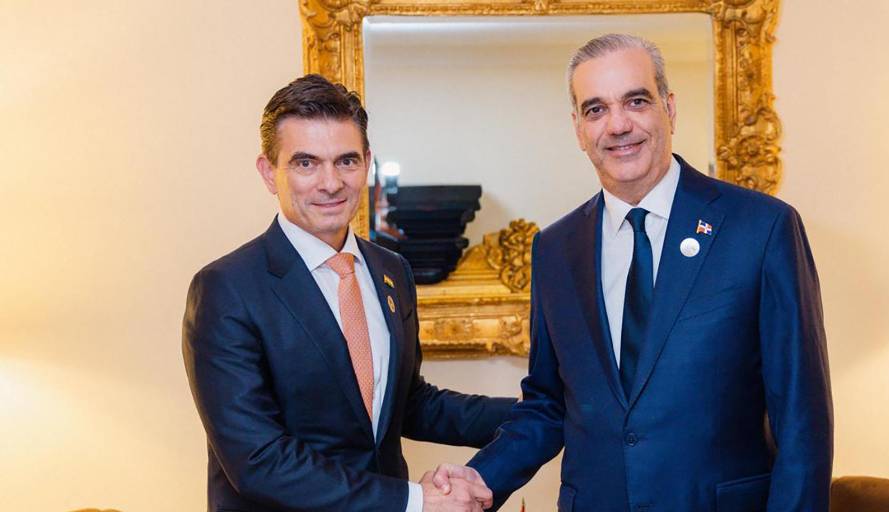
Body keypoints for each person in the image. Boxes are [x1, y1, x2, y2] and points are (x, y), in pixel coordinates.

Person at [434, 34, 833, 511]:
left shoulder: (761, 228)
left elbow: (802, 421)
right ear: (578, 129)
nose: (618, 125)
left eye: (636, 101)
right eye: (596, 109)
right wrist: (481, 479)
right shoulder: (556, 249)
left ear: (669, 108)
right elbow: (547, 404)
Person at [182, 74, 516, 512]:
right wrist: (415, 501)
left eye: (346, 161)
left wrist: (534, 411)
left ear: (368, 163)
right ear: (269, 172)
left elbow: (407, 403)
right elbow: (259, 462)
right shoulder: (226, 289)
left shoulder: (391, 270)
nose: (331, 182)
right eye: (306, 163)